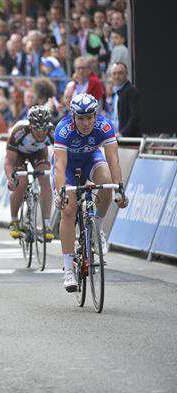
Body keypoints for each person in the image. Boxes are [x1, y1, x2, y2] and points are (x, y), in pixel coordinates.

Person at [52, 93, 128, 292]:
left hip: (91, 159)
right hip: (67, 166)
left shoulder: (105, 126)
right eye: (81, 118)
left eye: (89, 118)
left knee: (106, 182)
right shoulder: (63, 129)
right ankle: (69, 269)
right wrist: (61, 192)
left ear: (96, 116)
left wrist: (119, 188)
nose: (86, 123)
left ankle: (97, 230)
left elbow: (113, 160)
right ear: (73, 117)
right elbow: (59, 164)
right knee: (68, 210)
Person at [5, 106, 54, 241]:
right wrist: (11, 178)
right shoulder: (19, 131)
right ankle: (14, 220)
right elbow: (9, 161)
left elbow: (61, 155)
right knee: (21, 183)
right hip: (19, 155)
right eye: (37, 129)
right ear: (30, 125)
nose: (41, 133)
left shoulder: (52, 132)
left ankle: (46, 224)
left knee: (45, 178)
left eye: (44, 129)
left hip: (38, 152)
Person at [110, 62, 140, 137]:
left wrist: (122, 133)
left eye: (120, 73)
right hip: (117, 138)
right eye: (114, 73)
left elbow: (135, 116)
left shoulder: (131, 91)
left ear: (126, 74)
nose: (117, 76)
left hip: (128, 140)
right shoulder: (115, 92)